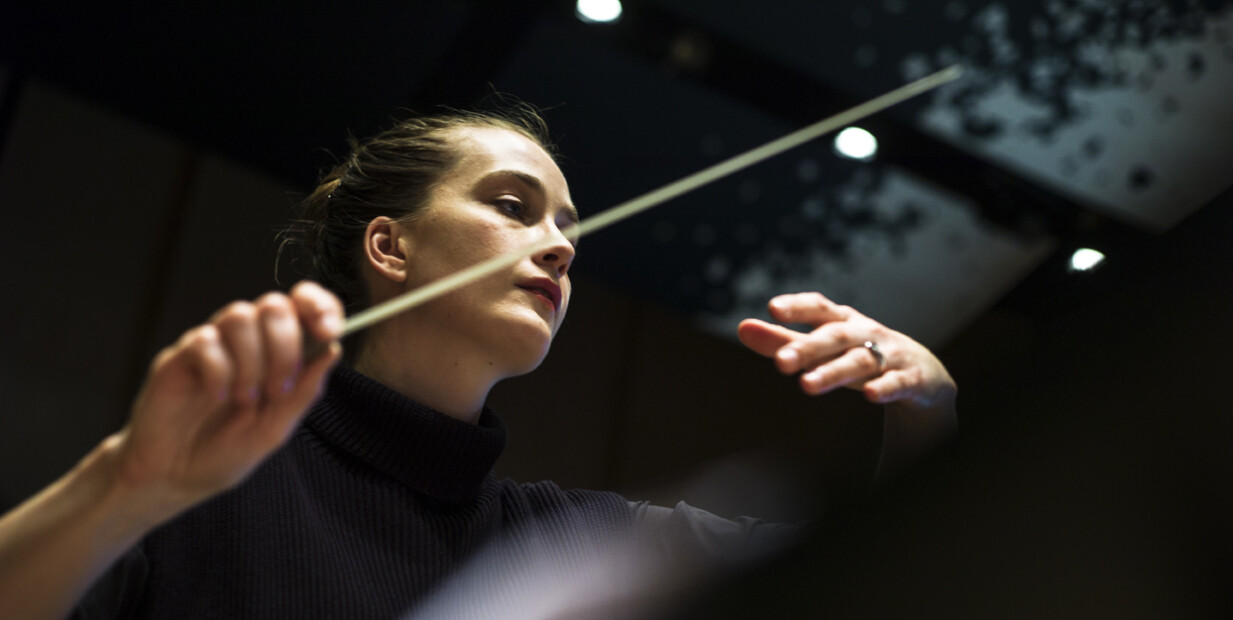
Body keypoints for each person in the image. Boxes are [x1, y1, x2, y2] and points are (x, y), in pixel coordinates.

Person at [0, 106, 957, 619]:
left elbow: (881, 581)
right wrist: (126, 486)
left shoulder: (577, 541)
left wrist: (928, 413)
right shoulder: (207, 479)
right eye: (512, 205)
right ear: (390, 247)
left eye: (568, 228)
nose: (559, 248)